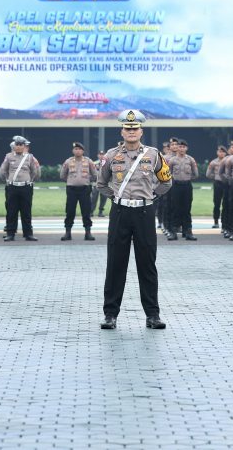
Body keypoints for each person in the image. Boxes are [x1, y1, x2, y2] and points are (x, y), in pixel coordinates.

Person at [96, 109, 172, 330]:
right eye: (127, 128)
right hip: (120, 213)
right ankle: (110, 315)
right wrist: (116, 198)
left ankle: (153, 315)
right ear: (122, 131)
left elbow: (166, 181)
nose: (131, 131)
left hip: (144, 213)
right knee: (115, 264)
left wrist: (151, 197)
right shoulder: (111, 155)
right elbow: (101, 183)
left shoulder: (153, 155)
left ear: (141, 131)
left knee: (147, 265)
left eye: (135, 128)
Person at [0, 135, 39, 242]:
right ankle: (10, 234)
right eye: (17, 144)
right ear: (14, 146)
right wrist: (8, 180)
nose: (19, 147)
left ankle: (28, 234)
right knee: (12, 211)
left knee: (26, 211)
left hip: (26, 187)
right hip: (12, 187)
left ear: (24, 146)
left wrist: (29, 181)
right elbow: (3, 171)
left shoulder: (29, 157)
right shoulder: (8, 156)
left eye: (21, 145)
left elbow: (34, 171)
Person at [60, 141, 98, 241]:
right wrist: (71, 181)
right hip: (71, 189)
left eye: (79, 149)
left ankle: (88, 233)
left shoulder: (88, 161)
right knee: (70, 211)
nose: (77, 151)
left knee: (86, 211)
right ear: (73, 151)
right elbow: (62, 175)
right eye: (75, 149)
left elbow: (95, 175)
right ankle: (67, 233)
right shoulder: (68, 161)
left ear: (83, 151)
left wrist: (87, 180)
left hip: (85, 189)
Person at [166, 139, 199, 241]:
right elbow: (167, 173)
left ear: (186, 148)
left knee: (187, 209)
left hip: (187, 186)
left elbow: (196, 174)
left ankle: (187, 232)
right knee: (175, 208)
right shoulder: (172, 160)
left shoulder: (190, 160)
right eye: (180, 147)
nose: (181, 149)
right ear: (177, 148)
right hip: (176, 186)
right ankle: (173, 232)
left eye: (183, 147)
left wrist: (187, 178)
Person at [206, 146, 228, 230]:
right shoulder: (213, 162)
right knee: (217, 203)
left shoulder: (228, 161)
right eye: (219, 151)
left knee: (226, 204)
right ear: (217, 152)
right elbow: (208, 174)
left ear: (225, 153)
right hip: (218, 183)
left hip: (226, 184)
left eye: (223, 152)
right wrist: (215, 177)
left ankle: (225, 223)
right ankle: (216, 222)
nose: (221, 153)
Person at [90, 151, 108, 218]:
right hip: (96, 184)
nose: (101, 156)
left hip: (104, 184)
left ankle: (100, 212)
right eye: (100, 154)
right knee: (94, 198)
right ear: (98, 155)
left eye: (103, 154)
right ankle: (91, 211)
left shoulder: (107, 163)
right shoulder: (94, 164)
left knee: (103, 199)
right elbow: (91, 173)